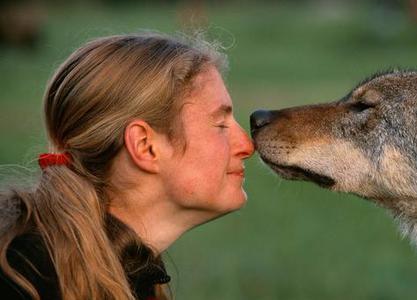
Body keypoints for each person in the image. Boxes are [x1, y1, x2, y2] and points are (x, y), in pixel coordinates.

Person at [0, 32, 254, 300]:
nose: (248, 146)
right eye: (220, 125)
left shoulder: (132, 274)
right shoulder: (18, 279)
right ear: (145, 146)